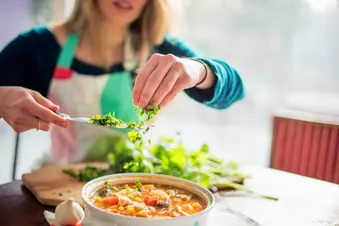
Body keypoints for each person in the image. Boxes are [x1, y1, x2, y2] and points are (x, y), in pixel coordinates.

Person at [0, 0, 244, 163]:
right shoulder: (39, 46)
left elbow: (237, 89)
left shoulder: (160, 47)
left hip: (136, 189)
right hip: (58, 188)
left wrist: (200, 70)